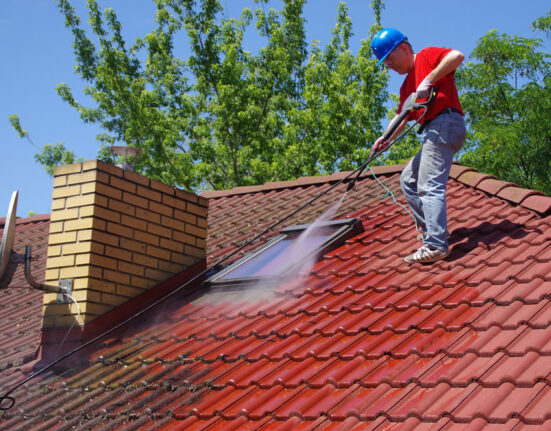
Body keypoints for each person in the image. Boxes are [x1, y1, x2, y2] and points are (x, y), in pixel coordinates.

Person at [370, 28, 466, 264]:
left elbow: (457, 56)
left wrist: (430, 79)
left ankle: (436, 244)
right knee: (408, 180)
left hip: (446, 122)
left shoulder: (426, 56)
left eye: (390, 58)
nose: (389, 66)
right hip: (435, 129)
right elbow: (403, 116)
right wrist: (385, 138)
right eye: (385, 63)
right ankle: (432, 233)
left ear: (404, 48)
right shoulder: (406, 87)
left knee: (428, 183)